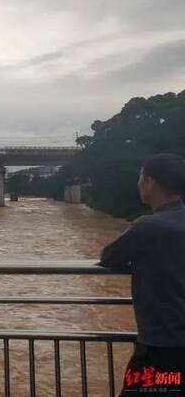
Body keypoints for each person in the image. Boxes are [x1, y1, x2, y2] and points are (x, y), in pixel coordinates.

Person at [100, 154, 185, 395]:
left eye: (140, 178)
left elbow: (109, 256)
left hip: (161, 350)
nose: (138, 184)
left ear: (150, 182)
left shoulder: (148, 226)